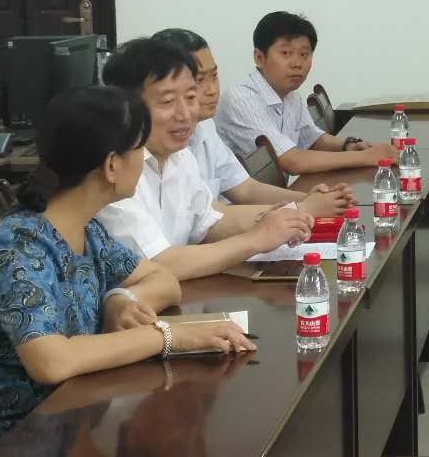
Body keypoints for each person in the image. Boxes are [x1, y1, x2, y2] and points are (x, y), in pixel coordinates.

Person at [0, 86, 254, 457]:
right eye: (138, 149)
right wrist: (168, 337)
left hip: (56, 431)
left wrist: (118, 299)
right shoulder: (15, 247)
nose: (143, 159)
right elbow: (52, 362)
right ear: (111, 166)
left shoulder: (85, 231)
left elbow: (163, 280)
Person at [99, 38, 313, 280]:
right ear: (126, 106)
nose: (184, 114)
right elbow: (159, 264)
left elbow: (209, 222)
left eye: (191, 97)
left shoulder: (179, 155)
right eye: (168, 102)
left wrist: (279, 218)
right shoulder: (113, 171)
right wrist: (256, 238)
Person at [153, 27, 354, 216]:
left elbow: (245, 189)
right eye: (199, 80)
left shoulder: (205, 126)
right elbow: (207, 222)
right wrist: (302, 208)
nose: (212, 90)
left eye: (214, 76)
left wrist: (307, 199)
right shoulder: (154, 150)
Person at [215, 11, 394, 176]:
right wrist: (367, 157)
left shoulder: (291, 96)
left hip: (277, 193)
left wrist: (349, 145)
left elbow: (313, 139)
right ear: (259, 58)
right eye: (286, 53)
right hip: (243, 200)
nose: (297, 63)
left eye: (304, 54)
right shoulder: (241, 100)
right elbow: (292, 162)